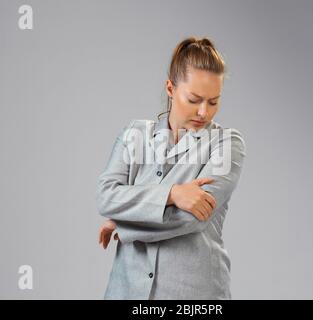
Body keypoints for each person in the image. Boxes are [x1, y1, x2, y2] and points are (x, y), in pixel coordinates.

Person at [96, 36, 246, 299]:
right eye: (194, 99)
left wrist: (123, 226)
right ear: (170, 88)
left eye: (213, 102)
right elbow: (107, 197)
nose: (204, 112)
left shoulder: (227, 144)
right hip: (126, 291)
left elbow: (192, 217)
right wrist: (173, 194)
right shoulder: (135, 134)